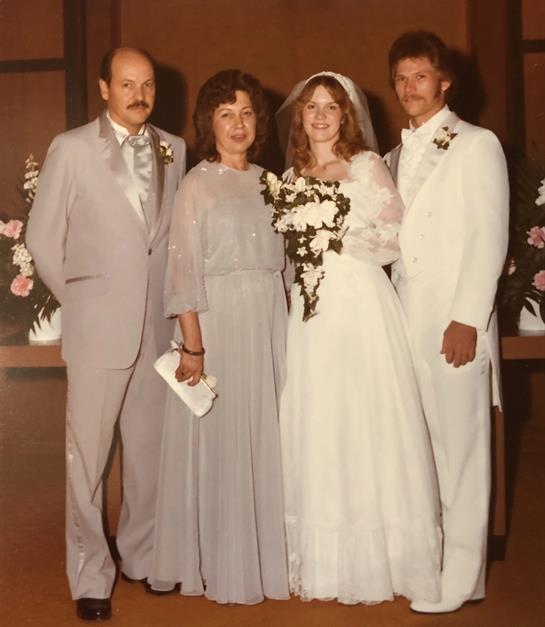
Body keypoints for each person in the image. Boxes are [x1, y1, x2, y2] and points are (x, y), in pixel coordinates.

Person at [26, 47, 186, 621]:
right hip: (98, 327)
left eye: (148, 84)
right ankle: (91, 575)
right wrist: (84, 301)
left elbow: (170, 240)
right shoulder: (71, 148)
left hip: (156, 327)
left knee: (149, 453)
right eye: (126, 84)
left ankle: (143, 556)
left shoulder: (175, 148)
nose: (139, 95)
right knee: (88, 460)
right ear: (103, 88)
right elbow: (42, 238)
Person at [277, 72, 442, 605]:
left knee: (367, 419)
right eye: (312, 106)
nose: (321, 116)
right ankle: (326, 562)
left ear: (346, 115)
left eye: (332, 106)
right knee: (321, 420)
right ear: (300, 116)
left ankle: (385, 558)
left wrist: (336, 237)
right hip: (312, 315)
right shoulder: (292, 174)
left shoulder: (367, 166)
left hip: (361, 303)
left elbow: (395, 238)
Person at [149, 69, 289, 604]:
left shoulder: (271, 182)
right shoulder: (197, 184)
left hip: (268, 319)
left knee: (264, 436)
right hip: (219, 323)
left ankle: (265, 558)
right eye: (226, 114)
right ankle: (223, 563)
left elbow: (287, 268)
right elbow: (182, 273)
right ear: (209, 122)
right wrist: (194, 345)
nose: (238, 124)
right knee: (224, 439)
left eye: (247, 112)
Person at [385, 30, 509, 613]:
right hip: (404, 321)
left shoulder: (476, 144)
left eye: (421, 76)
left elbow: (488, 236)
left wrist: (467, 319)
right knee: (421, 451)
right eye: (401, 78)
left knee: (462, 453)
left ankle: (463, 577)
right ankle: (428, 565)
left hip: (454, 324)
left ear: (445, 80)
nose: (410, 87)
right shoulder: (392, 156)